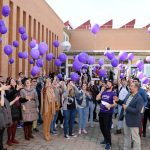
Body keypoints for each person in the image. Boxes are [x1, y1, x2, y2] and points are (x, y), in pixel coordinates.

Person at [114, 82, 144, 150]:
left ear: (136, 88)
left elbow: (137, 111)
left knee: (135, 138)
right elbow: (124, 103)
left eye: (132, 86)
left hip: (134, 121)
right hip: (126, 118)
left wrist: (127, 108)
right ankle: (126, 148)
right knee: (126, 135)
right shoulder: (128, 95)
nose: (130, 87)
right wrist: (118, 101)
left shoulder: (139, 98)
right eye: (130, 86)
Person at [96, 80, 117, 150]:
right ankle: (105, 139)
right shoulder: (103, 92)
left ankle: (109, 143)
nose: (107, 85)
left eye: (108, 84)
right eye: (106, 84)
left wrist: (110, 105)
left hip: (108, 114)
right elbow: (97, 98)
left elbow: (115, 103)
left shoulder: (113, 94)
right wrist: (101, 91)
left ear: (112, 86)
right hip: (101, 112)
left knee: (107, 129)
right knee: (102, 127)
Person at [5, 78, 21, 146]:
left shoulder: (17, 89)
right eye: (12, 81)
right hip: (11, 108)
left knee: (15, 124)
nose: (14, 81)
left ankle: (13, 138)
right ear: (9, 83)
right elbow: (9, 95)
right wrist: (16, 89)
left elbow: (19, 98)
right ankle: (8, 140)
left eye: (14, 80)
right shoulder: (8, 89)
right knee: (10, 125)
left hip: (17, 109)